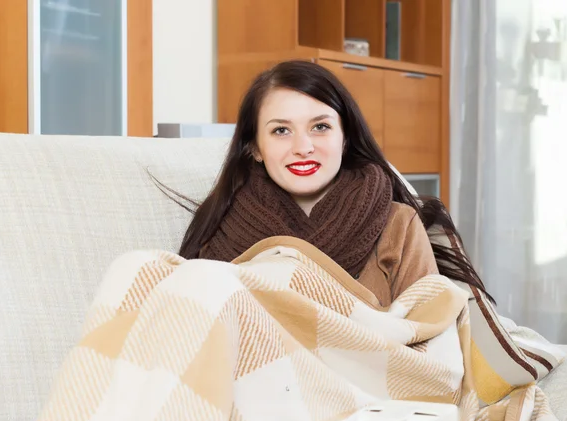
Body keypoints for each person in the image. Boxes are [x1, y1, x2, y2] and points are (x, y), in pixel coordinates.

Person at [161, 60, 491, 306]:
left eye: (320, 127)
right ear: (255, 148)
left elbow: (428, 336)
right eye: (281, 130)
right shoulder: (222, 230)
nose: (303, 147)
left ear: (345, 138)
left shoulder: (398, 225)